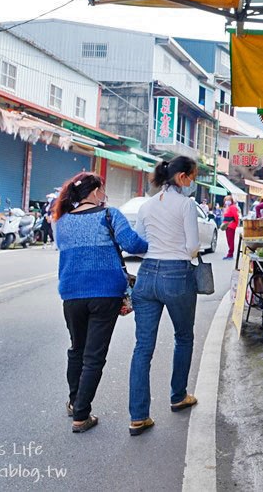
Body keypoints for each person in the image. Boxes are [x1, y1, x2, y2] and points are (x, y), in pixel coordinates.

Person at [54, 172, 148, 433]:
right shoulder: (109, 214)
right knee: (94, 356)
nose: (105, 195)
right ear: (94, 191)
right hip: (105, 294)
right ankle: (81, 415)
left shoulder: (61, 222)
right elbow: (132, 244)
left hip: (72, 294)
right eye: (103, 190)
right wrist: (153, 242)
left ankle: (75, 402)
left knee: (77, 349)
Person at [128, 156, 202, 436]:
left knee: (142, 348)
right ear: (182, 177)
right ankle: (178, 395)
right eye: (192, 177)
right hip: (176, 274)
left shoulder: (147, 205)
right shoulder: (186, 205)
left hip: (146, 276)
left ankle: (138, 416)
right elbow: (193, 246)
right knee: (183, 336)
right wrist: (182, 252)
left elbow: (138, 245)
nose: (193, 182)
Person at [222, 196, 240, 260]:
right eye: (226, 200)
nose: (227, 201)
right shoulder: (228, 207)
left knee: (230, 240)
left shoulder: (232, 207)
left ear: (231, 201)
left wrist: (236, 224)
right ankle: (229, 254)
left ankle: (230, 254)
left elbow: (236, 216)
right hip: (228, 225)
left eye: (228, 200)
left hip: (231, 225)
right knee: (229, 240)